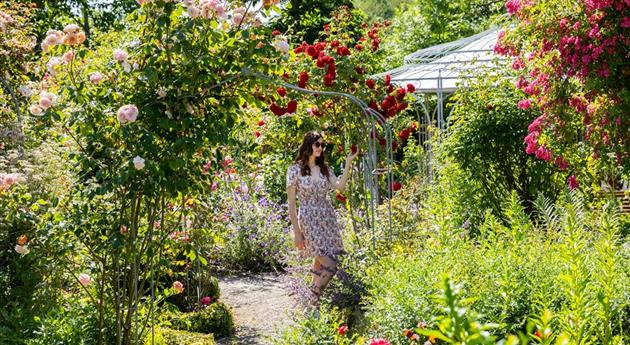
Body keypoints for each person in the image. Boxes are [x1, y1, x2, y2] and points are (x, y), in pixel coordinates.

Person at [286, 131, 358, 310]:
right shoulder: (294, 170)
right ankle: (312, 299)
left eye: (322, 145)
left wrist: (348, 163)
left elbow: (340, 187)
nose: (320, 148)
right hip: (309, 219)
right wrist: (297, 233)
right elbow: (291, 204)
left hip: (327, 218)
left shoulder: (326, 169)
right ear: (308, 144)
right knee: (330, 265)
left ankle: (312, 307)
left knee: (319, 262)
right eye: (317, 144)